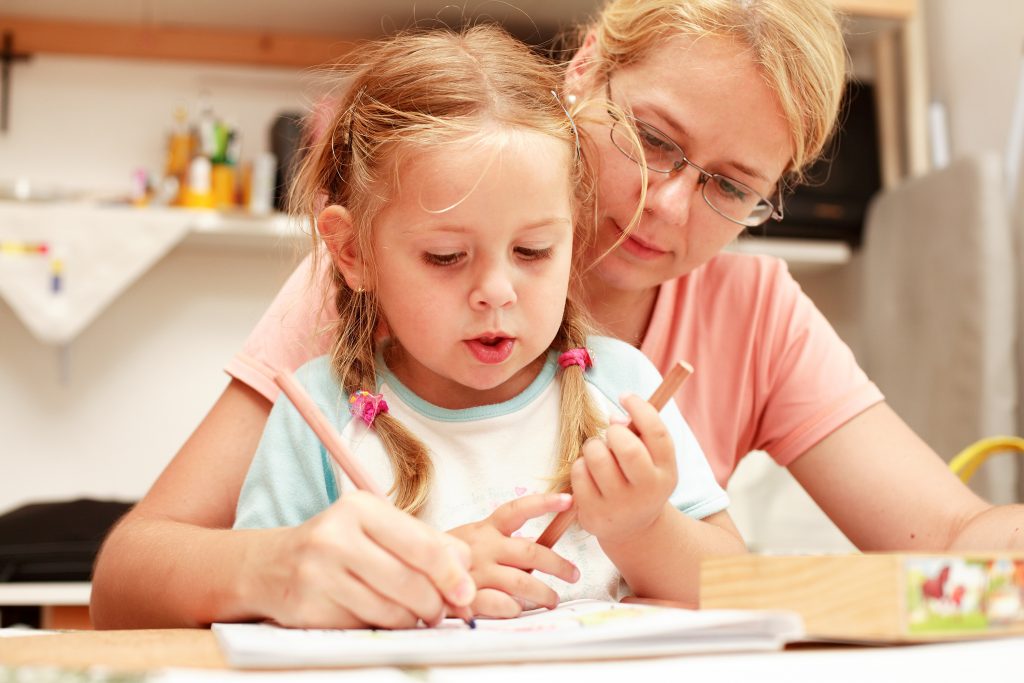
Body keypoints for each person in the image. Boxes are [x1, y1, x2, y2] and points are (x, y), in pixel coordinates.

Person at [91, 0, 1024, 629]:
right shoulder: (390, 283)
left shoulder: (756, 311)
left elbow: (948, 541)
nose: (666, 205)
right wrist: (281, 567)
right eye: (653, 140)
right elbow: (128, 576)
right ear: (583, 72)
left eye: (730, 188)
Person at [233, 24, 742, 626]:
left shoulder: (624, 390)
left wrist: (645, 527)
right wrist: (414, 579)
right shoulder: (318, 415)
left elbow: (737, 586)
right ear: (353, 253)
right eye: (447, 258)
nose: (496, 293)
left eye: (533, 252)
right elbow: (251, 608)